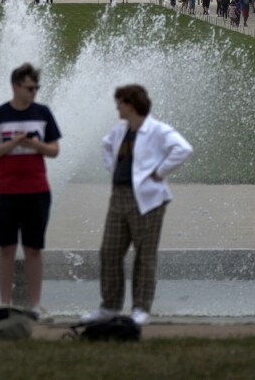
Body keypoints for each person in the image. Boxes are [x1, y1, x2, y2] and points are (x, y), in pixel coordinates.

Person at [81, 84, 192, 328]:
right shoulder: (121, 129)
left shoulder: (158, 130)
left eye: (120, 103)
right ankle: (109, 306)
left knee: (145, 255)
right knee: (109, 251)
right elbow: (106, 145)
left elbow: (183, 149)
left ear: (131, 104)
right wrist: (116, 170)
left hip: (149, 200)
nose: (117, 107)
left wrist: (160, 172)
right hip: (120, 195)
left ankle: (141, 308)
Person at [0, 63, 62, 318]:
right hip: (4, 190)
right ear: (15, 86)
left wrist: (36, 144)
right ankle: (5, 305)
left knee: (33, 248)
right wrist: (12, 142)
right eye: (29, 87)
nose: (34, 92)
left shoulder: (43, 113)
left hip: (37, 190)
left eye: (36, 87)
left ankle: (35, 305)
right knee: (6, 248)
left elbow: (54, 150)